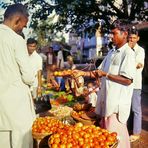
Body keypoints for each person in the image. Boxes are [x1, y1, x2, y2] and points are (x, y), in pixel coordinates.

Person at [74, 19, 136, 147]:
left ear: (124, 34)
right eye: (111, 33)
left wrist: (106, 75)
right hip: (106, 101)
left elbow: (128, 80)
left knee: (116, 140)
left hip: (116, 105)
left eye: (114, 33)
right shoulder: (112, 52)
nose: (111, 36)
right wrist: (82, 73)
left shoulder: (128, 53)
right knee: (107, 139)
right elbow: (98, 72)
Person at [0, 4, 36, 148]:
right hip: (17, 107)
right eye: (24, 25)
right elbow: (28, 76)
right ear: (17, 20)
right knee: (19, 141)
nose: (24, 29)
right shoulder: (16, 40)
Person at [127, 26, 145, 142]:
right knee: (127, 108)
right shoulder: (126, 49)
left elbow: (138, 65)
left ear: (138, 38)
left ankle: (137, 132)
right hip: (125, 84)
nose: (132, 40)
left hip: (135, 85)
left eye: (134, 37)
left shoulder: (140, 50)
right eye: (130, 38)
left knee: (136, 109)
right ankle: (129, 129)